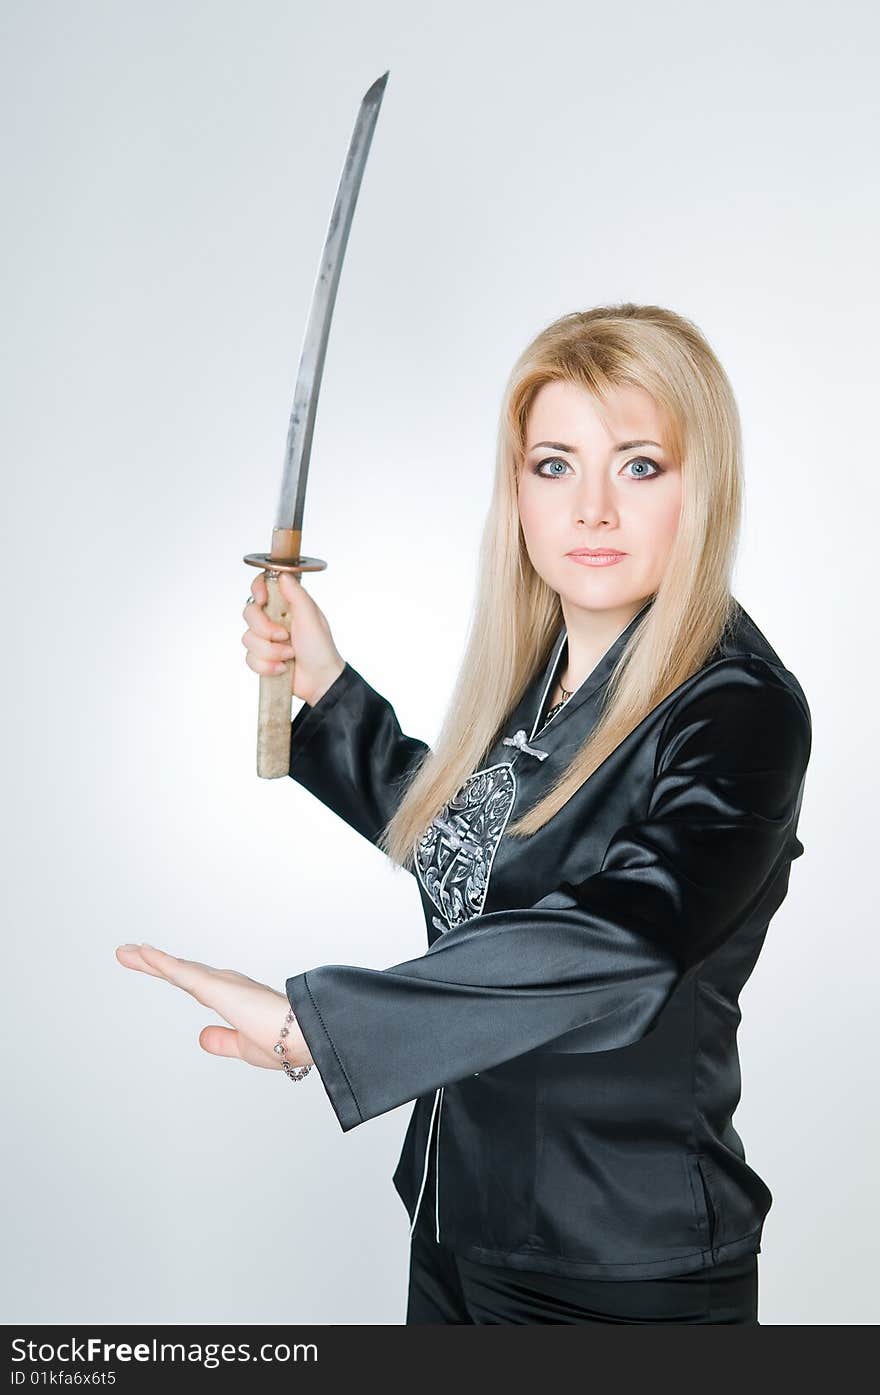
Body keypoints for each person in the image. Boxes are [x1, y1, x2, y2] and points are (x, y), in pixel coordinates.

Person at [116, 303, 811, 1324]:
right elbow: (476, 853)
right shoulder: (546, 677)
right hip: (456, 1221)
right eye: (555, 465)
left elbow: (629, 937)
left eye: (639, 465)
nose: (593, 511)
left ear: (700, 486)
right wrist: (328, 691)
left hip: (617, 1270)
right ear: (517, 492)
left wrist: (318, 1025)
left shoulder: (738, 709)